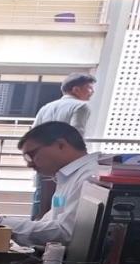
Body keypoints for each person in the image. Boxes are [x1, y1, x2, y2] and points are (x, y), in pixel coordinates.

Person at [0, 121, 101, 247]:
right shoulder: (66, 178)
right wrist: (0, 223)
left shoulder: (90, 177)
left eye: (31, 155)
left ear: (60, 145)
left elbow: (65, 233)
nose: (29, 164)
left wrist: (0, 223)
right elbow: (49, 224)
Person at [31, 73, 96, 217]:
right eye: (89, 88)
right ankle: (53, 223)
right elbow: (76, 135)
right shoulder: (81, 107)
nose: (92, 91)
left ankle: (35, 224)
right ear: (76, 89)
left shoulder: (46, 107)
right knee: (60, 198)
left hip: (43, 160)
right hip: (64, 163)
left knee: (41, 197)